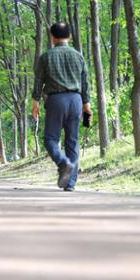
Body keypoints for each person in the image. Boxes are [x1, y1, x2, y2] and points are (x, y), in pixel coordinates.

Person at [32, 22, 91, 192]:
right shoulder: (78, 56)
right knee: (72, 141)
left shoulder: (46, 56)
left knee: (50, 139)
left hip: (56, 100)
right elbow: (85, 83)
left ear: (52, 37)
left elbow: (38, 82)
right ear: (70, 36)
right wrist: (87, 106)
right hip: (76, 100)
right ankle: (70, 183)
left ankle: (63, 163)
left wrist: (35, 103)